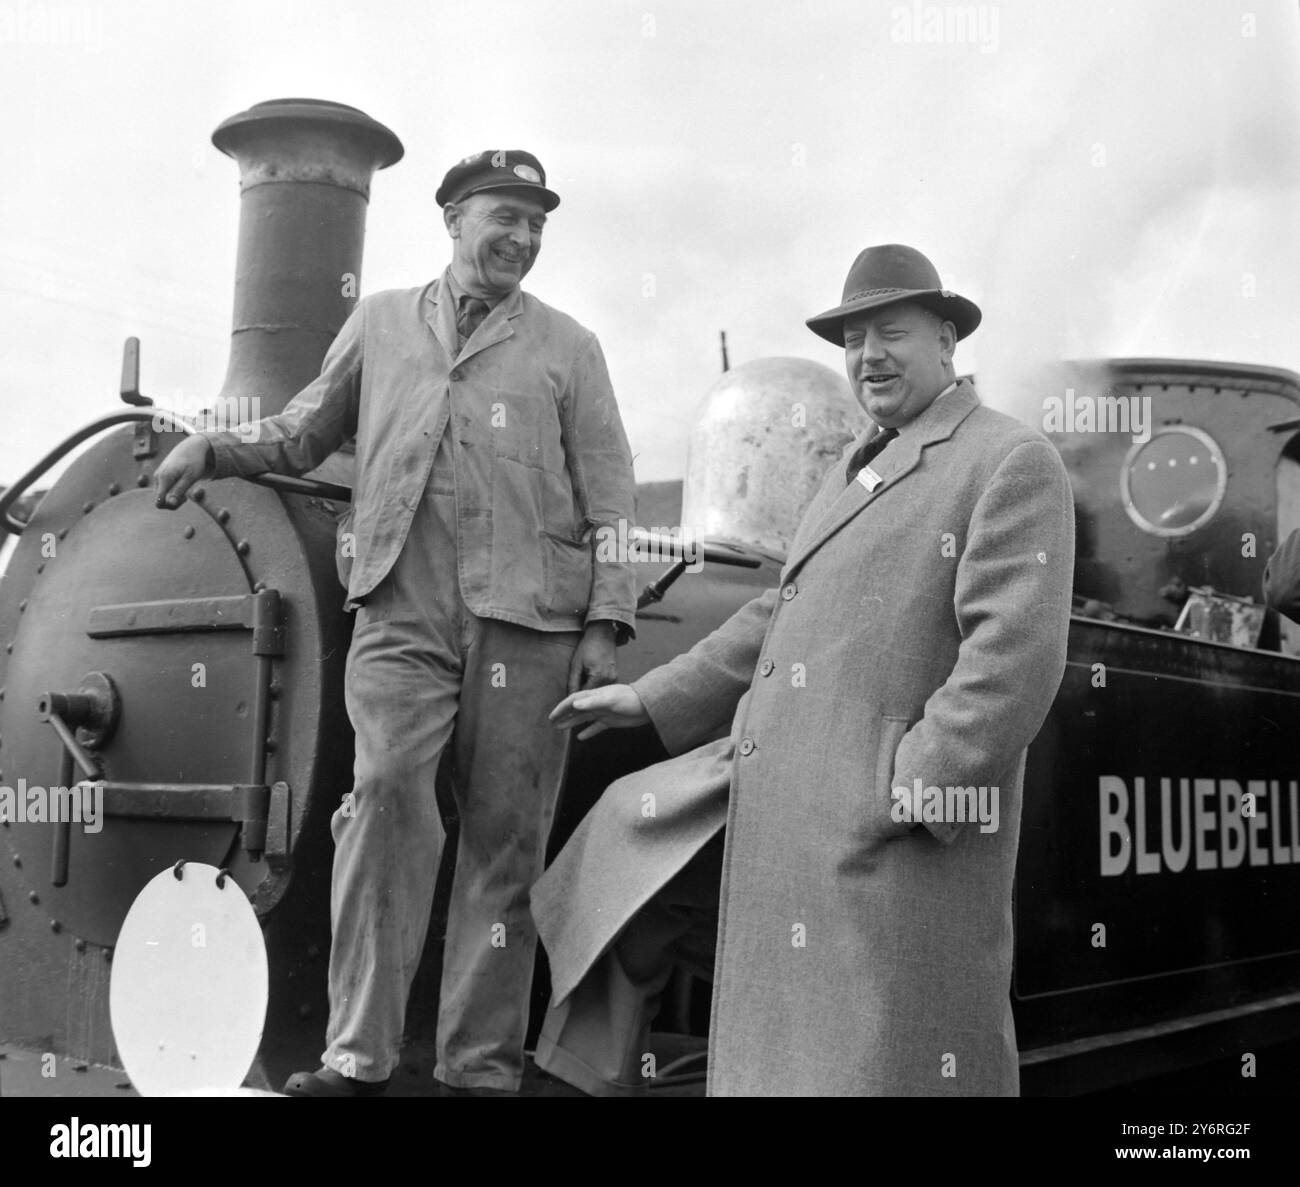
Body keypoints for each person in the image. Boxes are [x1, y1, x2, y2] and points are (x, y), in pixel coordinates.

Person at [532, 244, 1076, 1096]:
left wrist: (913, 785)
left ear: (946, 338)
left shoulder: (1006, 459)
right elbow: (775, 612)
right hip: (789, 825)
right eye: (853, 340)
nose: (868, 357)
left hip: (883, 837)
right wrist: (649, 695)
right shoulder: (853, 469)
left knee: (883, 1065)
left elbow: (1014, 657)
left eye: (891, 331)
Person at [154, 149, 637, 1097]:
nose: (524, 238)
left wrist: (607, 622)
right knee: (382, 807)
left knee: (506, 846)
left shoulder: (570, 348)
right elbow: (301, 431)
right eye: (506, 216)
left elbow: (611, 500)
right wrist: (211, 443)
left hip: (530, 625)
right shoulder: (377, 322)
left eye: (538, 224)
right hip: (400, 614)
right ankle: (357, 1058)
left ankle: (478, 1068)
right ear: (453, 217)